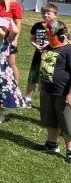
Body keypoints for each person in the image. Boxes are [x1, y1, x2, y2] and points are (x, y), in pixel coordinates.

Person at [34, 20, 71, 163]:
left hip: (62, 92)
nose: (48, 35)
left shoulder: (68, 50)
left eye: (50, 32)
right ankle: (51, 144)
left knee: (66, 123)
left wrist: (70, 94)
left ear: (60, 34)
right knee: (49, 119)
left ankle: (70, 151)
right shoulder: (48, 47)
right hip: (47, 90)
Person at [27, 3, 57, 105]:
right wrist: (36, 46)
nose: (46, 15)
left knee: (47, 78)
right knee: (33, 76)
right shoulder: (37, 25)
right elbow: (32, 39)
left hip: (51, 56)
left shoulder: (58, 26)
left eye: (48, 13)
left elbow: (63, 42)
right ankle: (28, 99)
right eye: (43, 13)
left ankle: (47, 101)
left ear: (55, 15)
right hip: (38, 53)